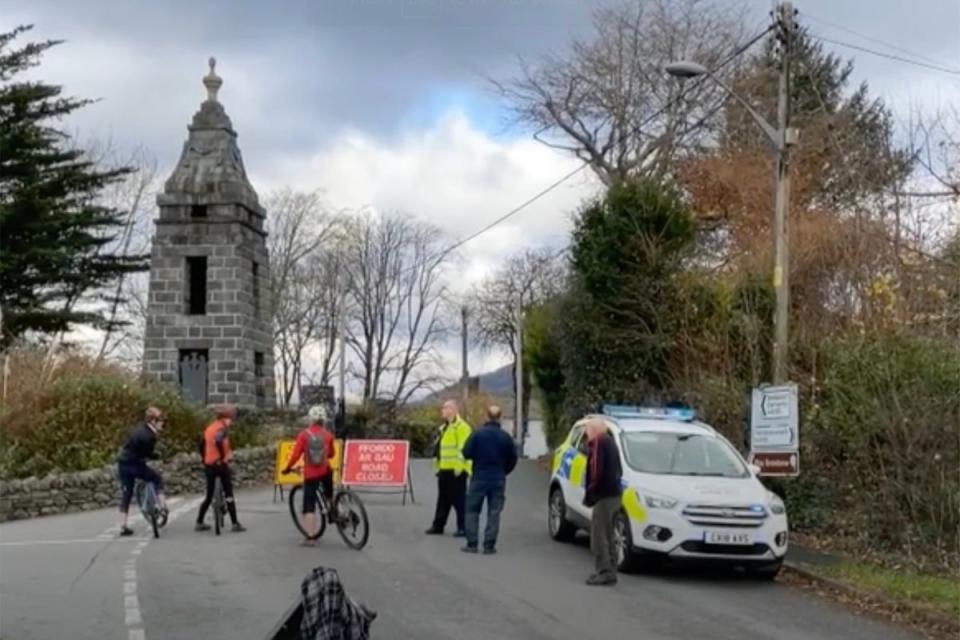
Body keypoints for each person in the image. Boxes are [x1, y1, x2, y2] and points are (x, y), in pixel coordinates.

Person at [460, 405, 517, 555]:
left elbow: (466, 453)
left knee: (472, 510)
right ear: (500, 418)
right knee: (494, 512)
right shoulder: (506, 437)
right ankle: (489, 545)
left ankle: (472, 544)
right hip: (498, 478)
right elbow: (513, 459)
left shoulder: (477, 435)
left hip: (479, 476)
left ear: (487, 416)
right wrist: (504, 471)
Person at [282, 405, 336, 546]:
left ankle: (310, 537)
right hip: (326, 471)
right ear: (324, 420)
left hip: (311, 474)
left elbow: (295, 456)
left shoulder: (304, 435)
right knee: (329, 493)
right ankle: (333, 510)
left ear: (311, 419)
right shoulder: (328, 435)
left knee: (309, 506)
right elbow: (332, 454)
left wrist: (287, 468)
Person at [116, 407, 168, 536]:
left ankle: (123, 525)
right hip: (136, 465)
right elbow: (147, 453)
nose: (163, 424)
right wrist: (156, 456)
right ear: (153, 421)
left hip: (123, 464)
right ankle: (163, 506)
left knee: (126, 493)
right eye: (160, 421)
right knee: (156, 479)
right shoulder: (150, 436)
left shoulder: (136, 430)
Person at [583, 418, 622, 586]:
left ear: (594, 430)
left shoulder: (599, 443)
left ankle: (604, 571)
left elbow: (596, 470)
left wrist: (591, 492)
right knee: (608, 533)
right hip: (614, 494)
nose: (586, 434)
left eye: (587, 430)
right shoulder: (611, 442)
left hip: (604, 495)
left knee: (599, 535)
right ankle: (610, 570)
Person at [195, 404, 246, 532]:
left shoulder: (209, 428)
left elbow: (201, 444)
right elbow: (218, 441)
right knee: (229, 493)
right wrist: (223, 456)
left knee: (209, 495)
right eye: (231, 419)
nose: (231, 422)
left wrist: (203, 458)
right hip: (220, 464)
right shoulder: (222, 429)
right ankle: (235, 523)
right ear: (226, 418)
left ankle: (199, 522)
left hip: (209, 464)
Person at [425, 399, 472, 537]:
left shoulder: (462, 427)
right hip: (445, 469)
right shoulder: (444, 428)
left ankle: (463, 527)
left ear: (453, 410)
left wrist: (459, 467)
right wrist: (438, 464)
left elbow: (462, 449)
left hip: (456, 470)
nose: (442, 410)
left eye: (445, 408)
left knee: (459, 500)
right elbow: (441, 448)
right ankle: (438, 525)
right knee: (443, 500)